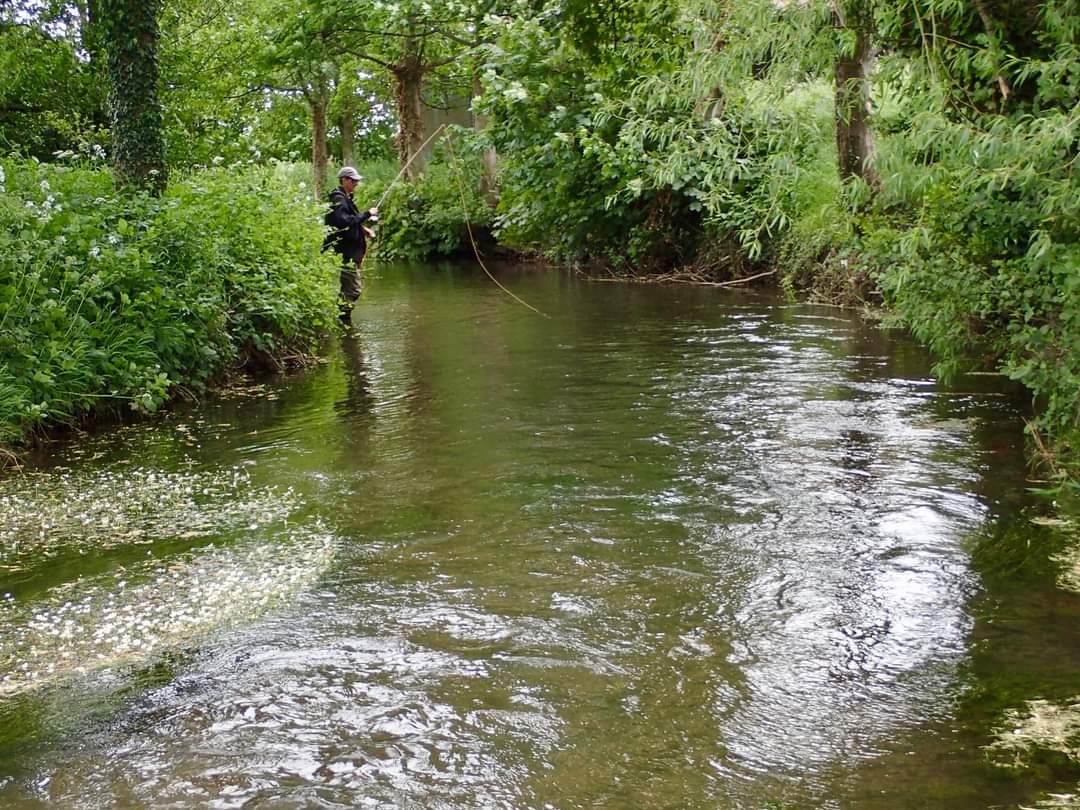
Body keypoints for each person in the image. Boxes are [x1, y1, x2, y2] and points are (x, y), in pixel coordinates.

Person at [324, 166, 378, 322]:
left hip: (350, 251)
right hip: (346, 252)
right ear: (344, 180)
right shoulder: (339, 199)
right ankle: (342, 319)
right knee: (353, 290)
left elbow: (350, 221)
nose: (356, 183)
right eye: (353, 180)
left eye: (356, 180)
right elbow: (343, 221)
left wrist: (363, 230)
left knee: (349, 288)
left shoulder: (346, 198)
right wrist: (367, 214)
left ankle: (340, 318)